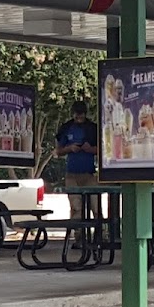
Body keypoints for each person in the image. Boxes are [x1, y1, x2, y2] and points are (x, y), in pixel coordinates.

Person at [56, 101, 99, 241]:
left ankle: (100, 236)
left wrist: (90, 149)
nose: (79, 117)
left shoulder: (93, 128)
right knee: (76, 208)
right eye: (76, 115)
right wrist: (69, 148)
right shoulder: (66, 128)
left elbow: (104, 150)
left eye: (81, 115)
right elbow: (58, 151)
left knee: (96, 207)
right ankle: (79, 237)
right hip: (72, 174)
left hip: (89, 174)